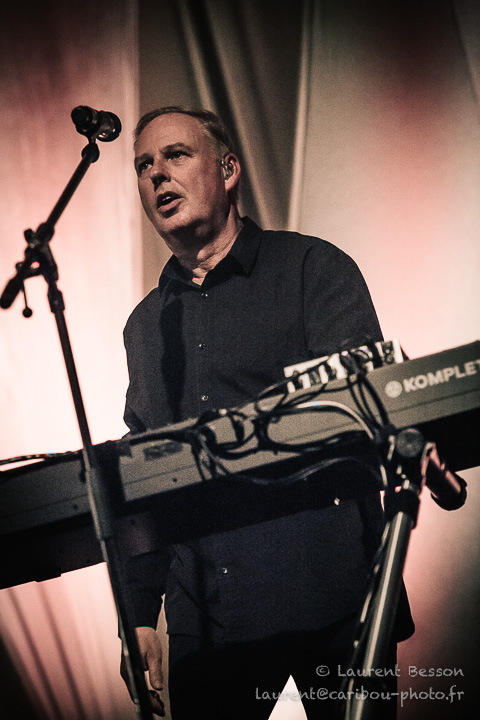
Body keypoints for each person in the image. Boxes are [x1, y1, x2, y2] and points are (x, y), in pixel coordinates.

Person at [120, 106, 413, 719]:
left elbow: (361, 407)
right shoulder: (145, 326)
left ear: (228, 171)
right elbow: (146, 475)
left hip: (327, 597)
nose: (157, 175)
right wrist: (139, 612)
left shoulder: (311, 269)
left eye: (176, 155)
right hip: (207, 623)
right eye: (144, 166)